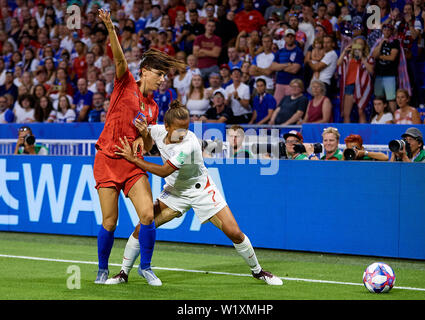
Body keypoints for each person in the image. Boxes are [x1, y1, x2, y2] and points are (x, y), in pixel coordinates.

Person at [109, 101, 282, 286]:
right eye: (179, 129)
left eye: (186, 128)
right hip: (176, 192)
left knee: (235, 233)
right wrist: (142, 133)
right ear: (166, 127)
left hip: (202, 190)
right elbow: (146, 137)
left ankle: (258, 272)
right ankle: (123, 273)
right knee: (142, 226)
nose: (183, 133)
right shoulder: (158, 131)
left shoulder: (188, 144)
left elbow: (164, 171)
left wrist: (133, 159)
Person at [93, 9, 185, 286]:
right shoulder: (125, 84)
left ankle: (145, 267)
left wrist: (145, 134)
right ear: (144, 71)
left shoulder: (154, 107)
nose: (162, 79)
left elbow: (146, 145)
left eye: (164, 77)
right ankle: (102, 268)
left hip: (133, 165)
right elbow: (119, 58)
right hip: (108, 159)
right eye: (159, 74)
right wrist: (110, 27)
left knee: (147, 214)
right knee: (110, 222)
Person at [337, 37, 375, 123]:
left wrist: (362, 58)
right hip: (349, 85)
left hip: (362, 87)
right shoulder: (348, 57)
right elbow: (338, 63)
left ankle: (364, 134)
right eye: (357, 44)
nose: (358, 46)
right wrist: (344, 51)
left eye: (361, 44)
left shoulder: (368, 57)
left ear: (364, 46)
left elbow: (371, 71)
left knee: (361, 111)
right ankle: (347, 135)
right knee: (347, 113)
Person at [372, 24, 401, 114]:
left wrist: (379, 56)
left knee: (391, 99)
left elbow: (392, 57)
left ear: (392, 31)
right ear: (382, 31)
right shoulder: (378, 42)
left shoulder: (395, 42)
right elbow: (374, 55)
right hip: (379, 75)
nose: (387, 32)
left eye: (389, 30)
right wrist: (381, 44)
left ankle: (393, 119)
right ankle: (379, 117)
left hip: (390, 75)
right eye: (385, 30)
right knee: (378, 98)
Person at [269, 28, 304, 104]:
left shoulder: (298, 51)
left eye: (292, 36)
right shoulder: (280, 51)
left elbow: (295, 69)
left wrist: (279, 67)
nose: (290, 38)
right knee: (276, 106)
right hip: (280, 83)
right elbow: (272, 67)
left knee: (290, 107)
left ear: (294, 38)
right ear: (285, 38)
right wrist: (287, 65)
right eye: (288, 36)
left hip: (292, 84)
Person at [306, 34, 337, 98]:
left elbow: (316, 68)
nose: (325, 45)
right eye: (324, 42)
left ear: (333, 44)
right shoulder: (325, 53)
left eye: (328, 42)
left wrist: (309, 61)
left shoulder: (331, 54)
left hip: (323, 83)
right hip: (318, 82)